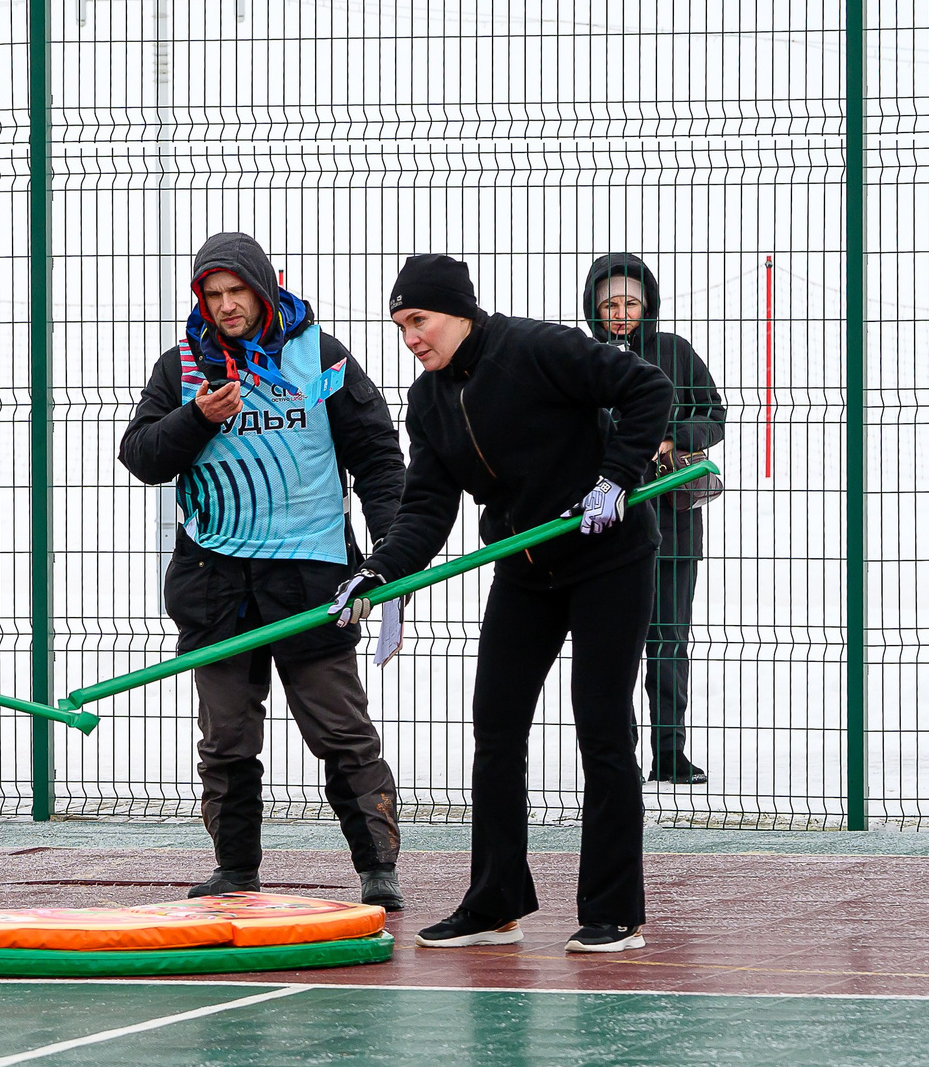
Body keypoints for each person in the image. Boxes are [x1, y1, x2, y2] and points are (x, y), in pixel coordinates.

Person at [338, 253, 674, 953]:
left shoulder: (536, 348)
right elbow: (428, 507)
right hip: (526, 565)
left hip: (608, 553)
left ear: (459, 310)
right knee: (495, 726)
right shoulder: (427, 400)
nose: (411, 338)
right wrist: (380, 570)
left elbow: (647, 387)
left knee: (603, 724)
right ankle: (496, 900)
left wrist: (617, 477)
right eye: (400, 326)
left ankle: (615, 909)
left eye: (419, 321)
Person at [120, 232, 408, 910]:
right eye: (211, 295)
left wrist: (388, 549)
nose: (225, 307)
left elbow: (377, 456)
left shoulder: (322, 356)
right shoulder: (182, 368)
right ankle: (236, 868)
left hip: (312, 580)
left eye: (236, 292)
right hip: (215, 584)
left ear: (263, 287)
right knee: (226, 739)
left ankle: (378, 868)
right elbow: (141, 456)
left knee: (342, 732)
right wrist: (195, 418)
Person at [583, 252, 727, 785]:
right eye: (610, 305)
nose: (620, 314)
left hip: (673, 522)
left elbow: (712, 414)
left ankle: (670, 753)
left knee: (668, 639)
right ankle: (618, 758)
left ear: (648, 306)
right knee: (613, 645)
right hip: (608, 525)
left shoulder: (674, 353)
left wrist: (672, 439)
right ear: (594, 309)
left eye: (630, 304)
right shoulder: (582, 359)